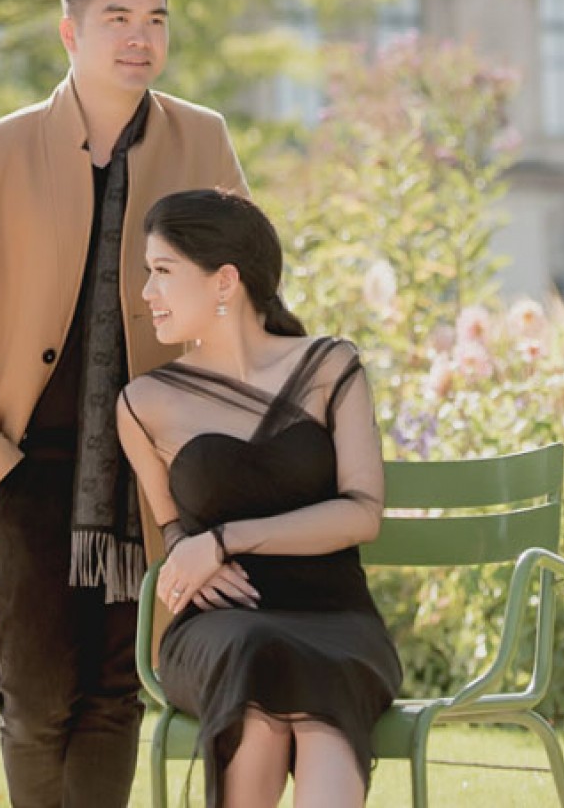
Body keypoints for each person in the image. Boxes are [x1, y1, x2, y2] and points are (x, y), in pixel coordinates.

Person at [0, 0, 248, 808]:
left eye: (155, 19)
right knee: (37, 692)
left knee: (118, 688)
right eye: (118, 18)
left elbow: (242, 291)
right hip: (25, 464)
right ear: (70, 33)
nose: (140, 37)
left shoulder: (202, 140)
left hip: (150, 471)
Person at [117, 189, 402, 808]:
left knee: (316, 698)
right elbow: (173, 531)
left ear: (224, 280)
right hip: (220, 630)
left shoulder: (329, 367)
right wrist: (189, 550)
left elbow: (362, 513)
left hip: (336, 618)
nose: (146, 293)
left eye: (162, 271)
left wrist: (222, 542)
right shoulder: (144, 403)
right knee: (256, 670)